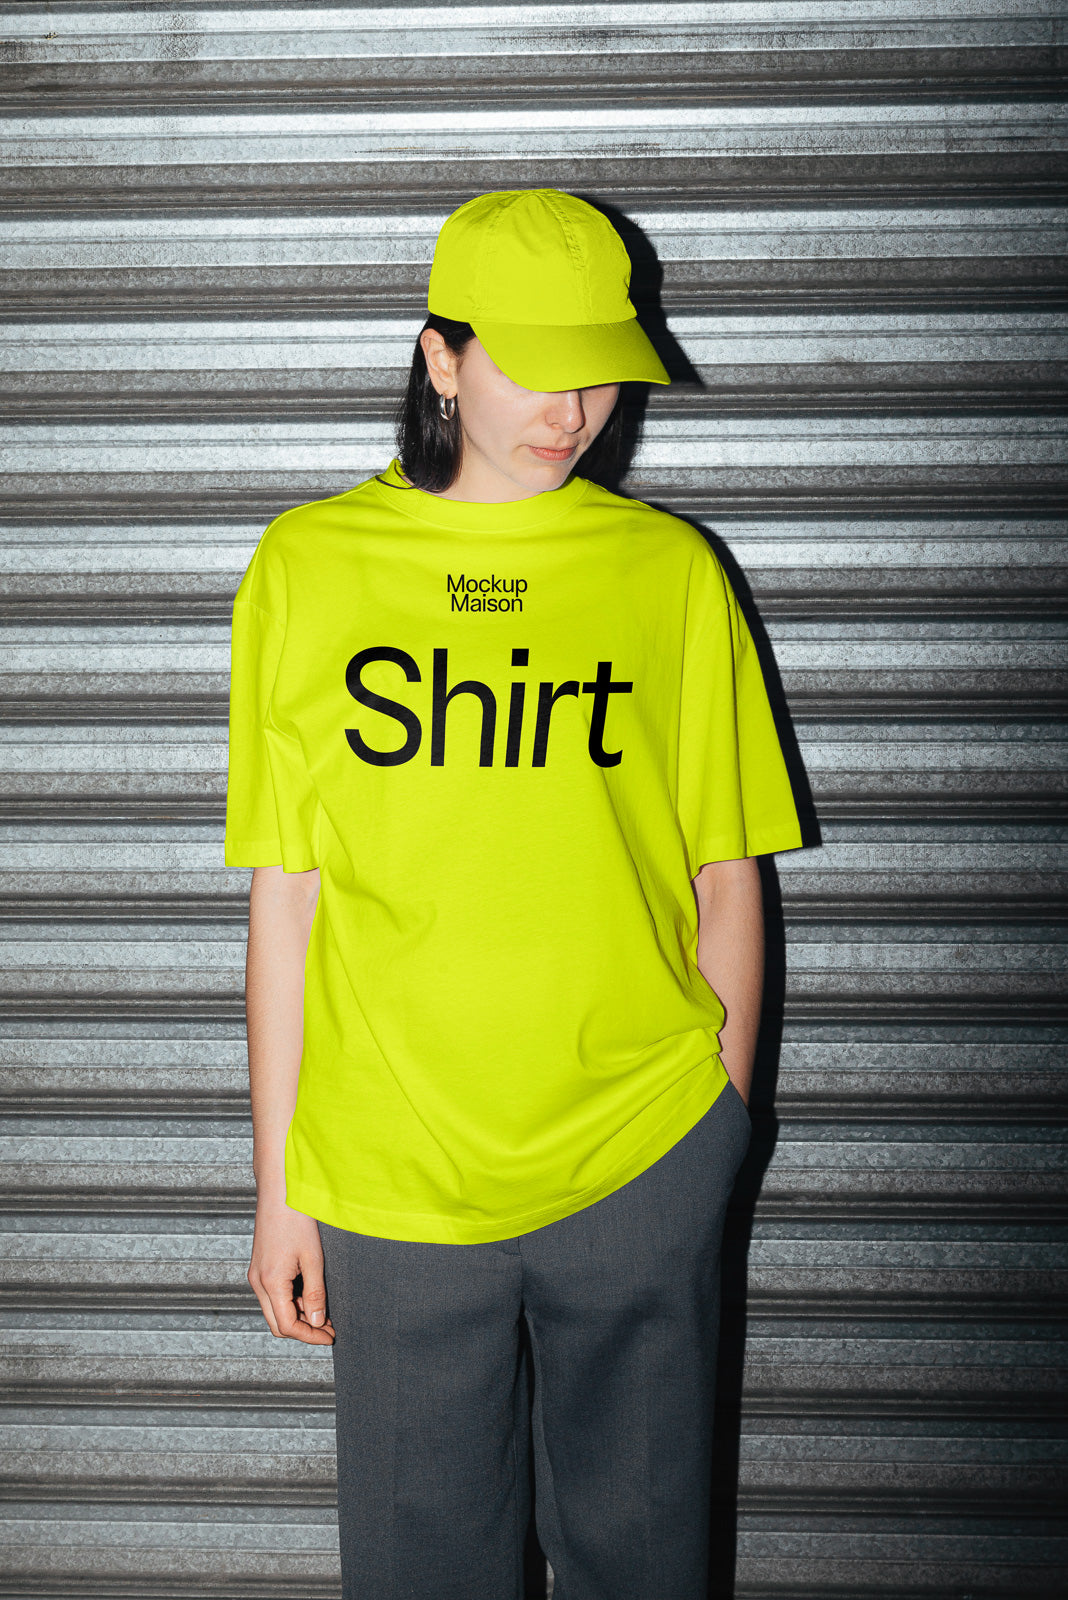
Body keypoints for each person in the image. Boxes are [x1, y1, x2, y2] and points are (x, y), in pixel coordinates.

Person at [225, 188, 801, 1600]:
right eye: (532, 364)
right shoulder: (309, 568)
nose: (573, 406)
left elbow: (728, 873)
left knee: (649, 1568)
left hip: (639, 1153)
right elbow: (284, 906)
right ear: (441, 358)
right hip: (397, 1173)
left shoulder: (670, 575)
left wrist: (715, 1123)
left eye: (598, 365)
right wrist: (280, 1187)